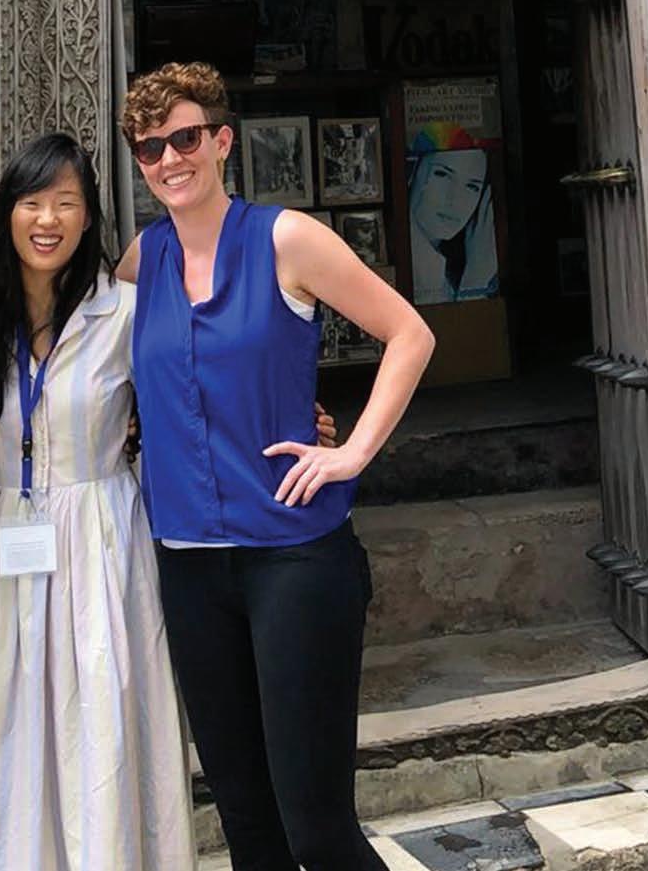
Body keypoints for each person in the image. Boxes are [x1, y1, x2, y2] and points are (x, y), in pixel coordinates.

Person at [117, 61, 436, 871]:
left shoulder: (285, 238)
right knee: (246, 825)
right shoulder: (140, 260)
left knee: (316, 828)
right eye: (149, 147)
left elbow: (409, 333)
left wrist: (351, 448)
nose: (169, 158)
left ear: (222, 140)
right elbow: (71, 345)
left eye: (185, 137)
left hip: (293, 557)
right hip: (189, 564)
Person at [0, 132, 196, 869]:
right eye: (31, 202)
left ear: (89, 217)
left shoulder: (126, 312)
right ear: (7, 211)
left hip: (102, 540)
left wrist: (299, 421)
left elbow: (195, 397)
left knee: (105, 721)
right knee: (9, 724)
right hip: (10, 543)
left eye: (66, 203)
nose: (48, 219)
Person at [407, 144, 498, 305]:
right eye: (442, 175)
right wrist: (475, 278)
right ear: (413, 173)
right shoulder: (420, 270)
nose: (456, 199)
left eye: (472, 186)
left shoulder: (445, 265)